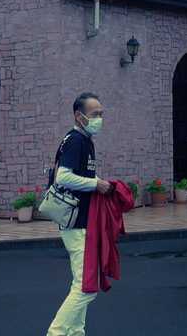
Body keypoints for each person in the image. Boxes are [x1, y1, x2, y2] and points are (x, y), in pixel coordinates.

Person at [46, 92, 113, 336]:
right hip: (76, 223)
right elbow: (63, 177)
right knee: (86, 287)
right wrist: (96, 184)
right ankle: (56, 333)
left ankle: (75, 333)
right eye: (95, 114)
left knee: (81, 282)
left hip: (79, 220)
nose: (99, 119)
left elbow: (80, 175)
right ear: (79, 116)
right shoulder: (76, 140)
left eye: (101, 114)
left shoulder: (84, 140)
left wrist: (97, 181)